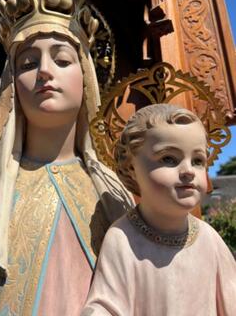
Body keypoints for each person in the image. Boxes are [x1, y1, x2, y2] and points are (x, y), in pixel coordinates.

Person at [0, 0, 133, 315]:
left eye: (61, 59)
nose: (44, 71)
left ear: (85, 77)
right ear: (11, 84)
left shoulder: (116, 198)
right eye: (28, 63)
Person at [82, 104, 236, 316]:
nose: (188, 171)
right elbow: (107, 305)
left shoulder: (209, 240)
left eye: (198, 161)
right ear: (131, 168)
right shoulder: (123, 239)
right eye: (169, 159)